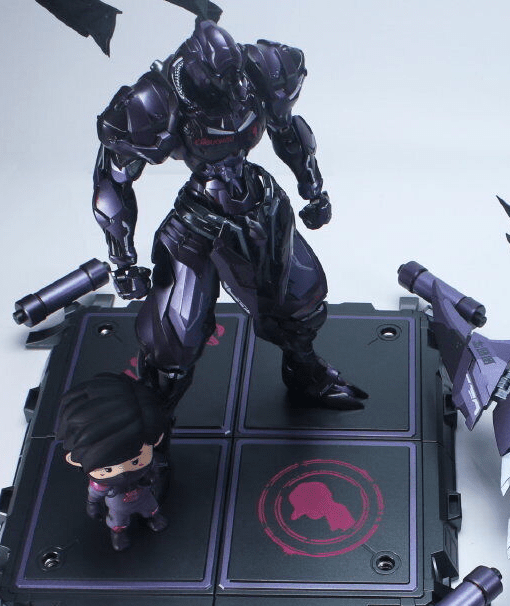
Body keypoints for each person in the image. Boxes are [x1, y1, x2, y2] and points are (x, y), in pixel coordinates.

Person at [92, 18, 367, 415]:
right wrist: (122, 259)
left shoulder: (261, 72)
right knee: (175, 336)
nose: (237, 93)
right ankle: (152, 422)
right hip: (198, 223)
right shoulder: (156, 101)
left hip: (261, 206)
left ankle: (305, 373)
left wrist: (312, 187)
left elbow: (289, 132)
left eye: (236, 79)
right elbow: (113, 178)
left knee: (302, 304)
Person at [55, 373, 170, 551]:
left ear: (157, 439)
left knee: (151, 508)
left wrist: (154, 476)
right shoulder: (100, 485)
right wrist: (92, 505)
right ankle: (118, 534)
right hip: (117, 504)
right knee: (118, 521)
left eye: (135, 461)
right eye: (108, 469)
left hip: (144, 495)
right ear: (75, 460)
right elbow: (94, 495)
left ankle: (153, 518)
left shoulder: (148, 459)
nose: (123, 471)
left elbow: (155, 468)